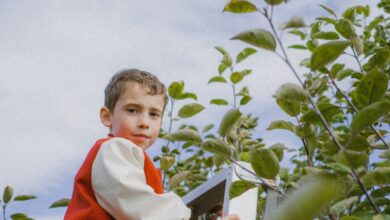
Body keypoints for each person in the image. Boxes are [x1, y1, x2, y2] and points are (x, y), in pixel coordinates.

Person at [64, 69, 239, 220]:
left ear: (161, 123)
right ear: (107, 116)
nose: (144, 122)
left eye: (154, 114)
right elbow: (139, 206)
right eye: (132, 110)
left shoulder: (133, 161)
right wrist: (188, 215)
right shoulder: (113, 149)